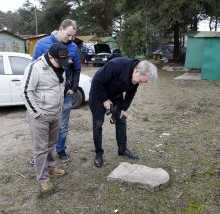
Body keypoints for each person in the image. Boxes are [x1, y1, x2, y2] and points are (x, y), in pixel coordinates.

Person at [89, 57, 158, 167]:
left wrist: (124, 109)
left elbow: (131, 94)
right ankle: (98, 153)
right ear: (137, 71)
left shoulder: (136, 77)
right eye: (141, 81)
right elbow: (97, 81)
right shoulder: (116, 65)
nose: (140, 83)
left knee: (121, 120)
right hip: (99, 93)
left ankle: (122, 149)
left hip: (116, 95)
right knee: (98, 124)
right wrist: (105, 100)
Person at [31, 19, 81, 163]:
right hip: (44, 96)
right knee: (43, 127)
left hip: (65, 95)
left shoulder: (73, 48)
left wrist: (73, 88)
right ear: (60, 28)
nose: (71, 39)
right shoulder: (42, 44)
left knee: (62, 125)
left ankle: (60, 149)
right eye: (68, 35)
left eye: (73, 37)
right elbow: (33, 68)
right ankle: (40, 154)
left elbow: (76, 70)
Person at [22, 42, 69, 190]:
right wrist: (37, 112)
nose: (62, 65)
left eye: (63, 62)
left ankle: (50, 167)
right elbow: (25, 91)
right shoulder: (35, 67)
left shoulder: (61, 66)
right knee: (40, 148)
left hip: (56, 113)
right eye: (59, 62)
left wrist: (59, 109)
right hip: (40, 116)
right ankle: (42, 177)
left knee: (50, 145)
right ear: (50, 56)